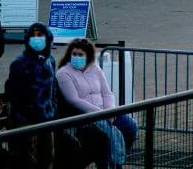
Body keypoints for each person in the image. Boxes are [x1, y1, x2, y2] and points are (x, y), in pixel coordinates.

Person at [56, 38, 138, 169]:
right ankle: (110, 164)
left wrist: (110, 111)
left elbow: (107, 93)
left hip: (106, 111)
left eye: (80, 54)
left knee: (130, 126)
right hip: (85, 115)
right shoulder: (63, 74)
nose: (77, 57)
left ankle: (118, 159)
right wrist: (101, 114)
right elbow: (74, 99)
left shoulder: (95, 69)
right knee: (106, 133)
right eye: (74, 54)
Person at [5, 22, 57, 169]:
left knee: (47, 158)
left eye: (40, 35)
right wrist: (23, 120)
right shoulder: (20, 63)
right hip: (26, 122)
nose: (36, 38)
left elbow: (53, 89)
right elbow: (13, 93)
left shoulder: (50, 61)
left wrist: (51, 110)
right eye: (33, 35)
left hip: (46, 119)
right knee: (29, 161)